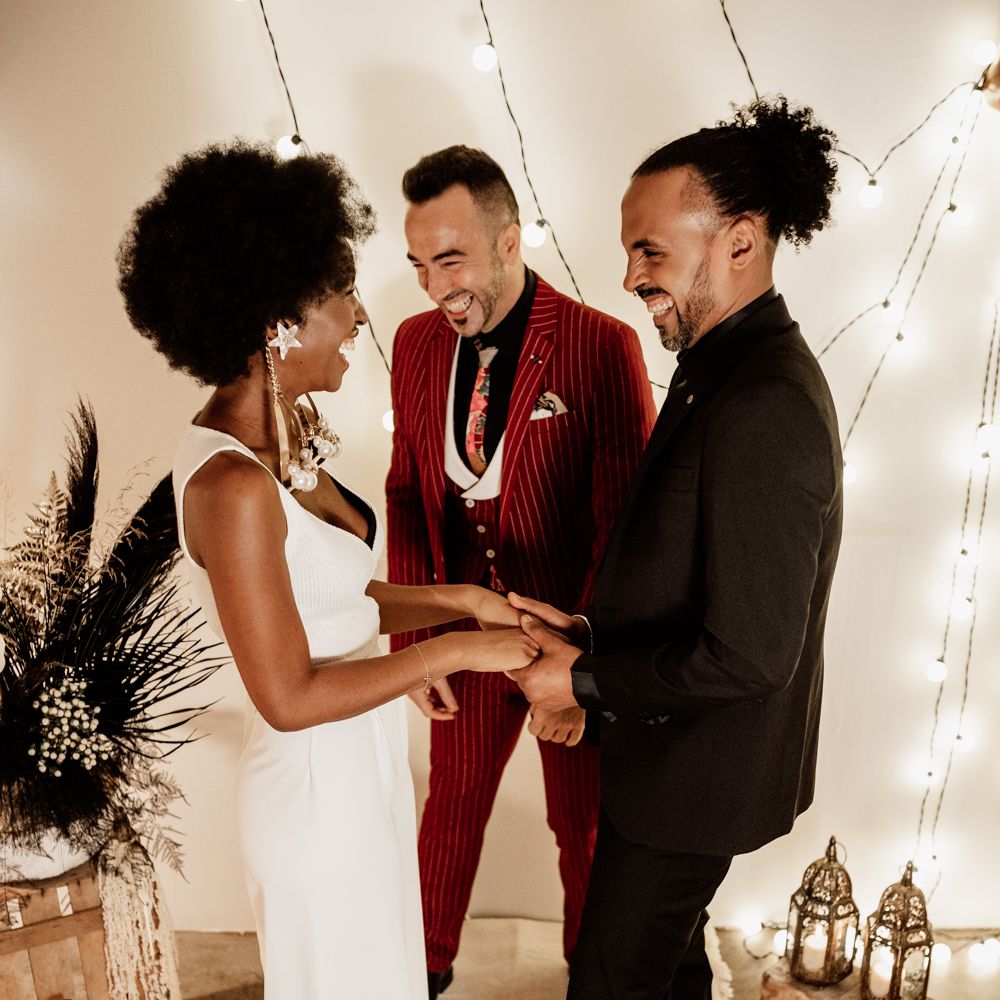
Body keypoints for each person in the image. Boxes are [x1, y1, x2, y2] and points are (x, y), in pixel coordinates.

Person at [116, 140, 539, 1000]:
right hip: (313, 803)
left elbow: (329, 596)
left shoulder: (288, 435)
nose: (360, 316)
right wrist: (453, 653)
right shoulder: (231, 483)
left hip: (366, 773)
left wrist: (455, 601)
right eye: (343, 292)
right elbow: (289, 694)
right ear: (278, 316)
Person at [510, 96, 844, 999]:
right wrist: (586, 628)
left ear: (739, 241)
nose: (628, 278)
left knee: (614, 980)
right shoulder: (717, 365)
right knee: (667, 967)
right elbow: (690, 570)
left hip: (696, 784)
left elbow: (750, 652)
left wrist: (580, 680)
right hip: (668, 766)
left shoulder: (766, 400)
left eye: (650, 250)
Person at [386, 145, 655, 996]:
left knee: (582, 828)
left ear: (510, 242)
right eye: (420, 265)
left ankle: (593, 977)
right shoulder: (415, 343)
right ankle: (417, 975)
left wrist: (586, 669)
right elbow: (404, 491)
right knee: (448, 816)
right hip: (461, 641)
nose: (434, 287)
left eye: (452, 260)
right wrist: (417, 643)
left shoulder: (600, 346)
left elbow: (625, 527)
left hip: (570, 642)